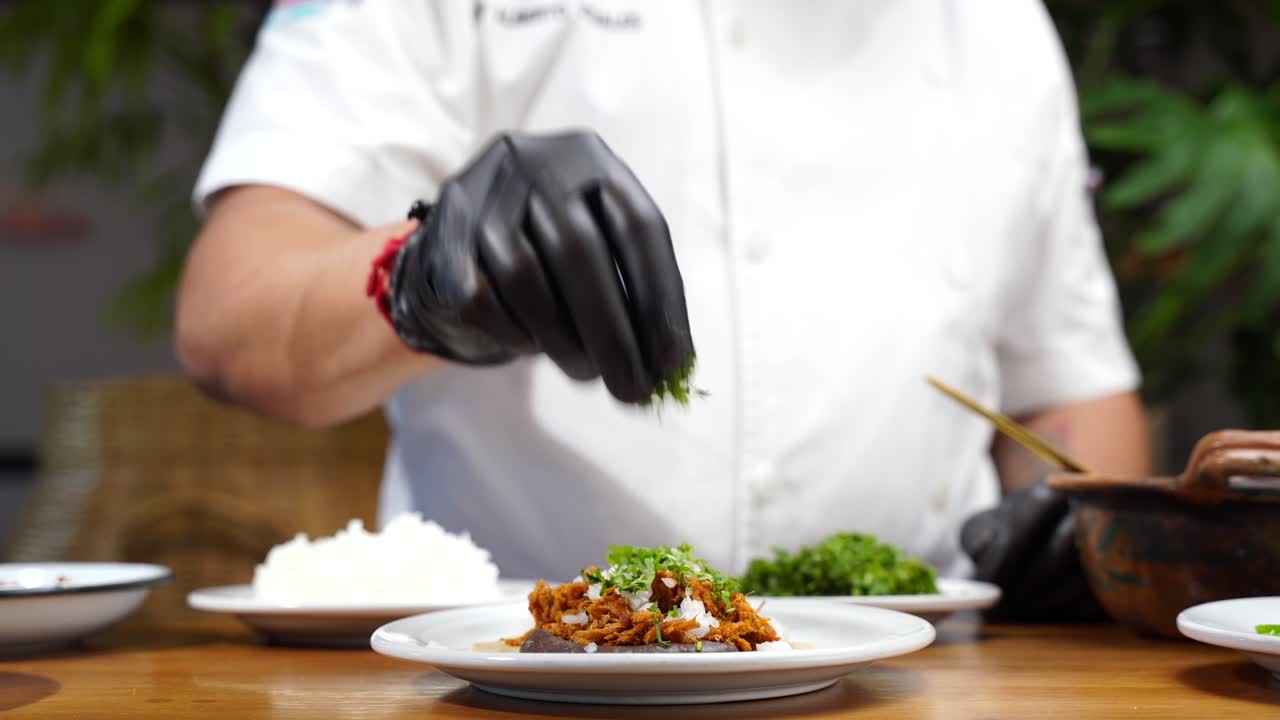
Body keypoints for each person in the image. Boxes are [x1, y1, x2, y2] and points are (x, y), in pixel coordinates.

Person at [176, 0, 1151, 618]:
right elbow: (229, 316)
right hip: (514, 669)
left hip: (917, 678)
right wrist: (420, 273)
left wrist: (1085, 541)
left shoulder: (999, 25)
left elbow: (1067, 394)